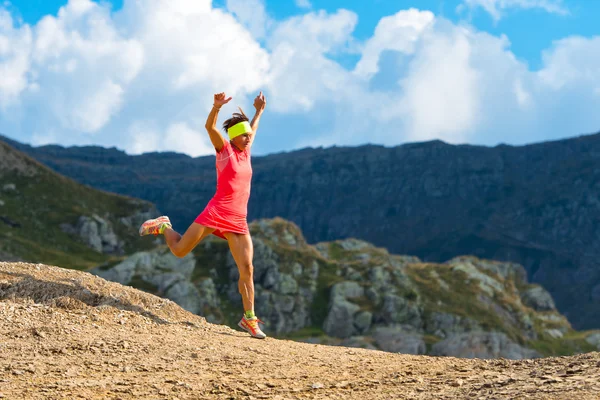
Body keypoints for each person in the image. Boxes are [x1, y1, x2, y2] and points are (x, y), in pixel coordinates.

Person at [138, 91, 267, 339]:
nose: (249, 138)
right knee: (179, 250)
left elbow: (253, 127)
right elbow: (209, 126)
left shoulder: (246, 151)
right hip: (216, 212)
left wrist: (259, 111)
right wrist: (216, 107)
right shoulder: (225, 150)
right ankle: (164, 227)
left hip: (238, 220)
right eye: (244, 135)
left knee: (247, 268)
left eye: (249, 136)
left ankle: (249, 319)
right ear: (233, 136)